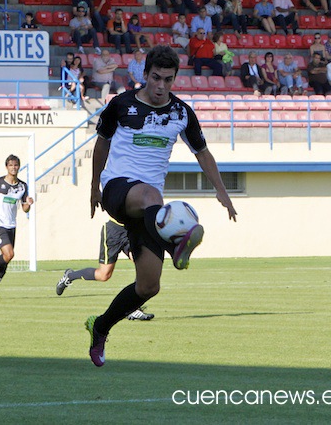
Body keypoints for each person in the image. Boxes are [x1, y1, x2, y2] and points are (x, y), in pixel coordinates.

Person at [86, 45, 237, 367]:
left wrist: (221, 191)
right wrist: (93, 186)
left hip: (149, 210)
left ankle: (99, 327)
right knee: (152, 195)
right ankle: (177, 244)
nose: (160, 86)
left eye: (167, 80)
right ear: (145, 75)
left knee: (149, 285)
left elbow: (202, 153)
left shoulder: (181, 113)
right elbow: (102, 143)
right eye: (155, 78)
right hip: (118, 190)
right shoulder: (121, 105)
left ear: (174, 79)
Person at [56, 219, 155, 321]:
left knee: (143, 264)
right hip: (114, 231)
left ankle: (133, 309)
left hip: (132, 230)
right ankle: (70, 276)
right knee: (104, 275)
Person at [0, 155, 34, 300]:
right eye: (11, 165)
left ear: (19, 167)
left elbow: (25, 209)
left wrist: (28, 203)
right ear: (6, 167)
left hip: (11, 225)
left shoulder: (22, 186)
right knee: (9, 254)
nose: (13, 168)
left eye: (16, 165)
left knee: (6, 260)